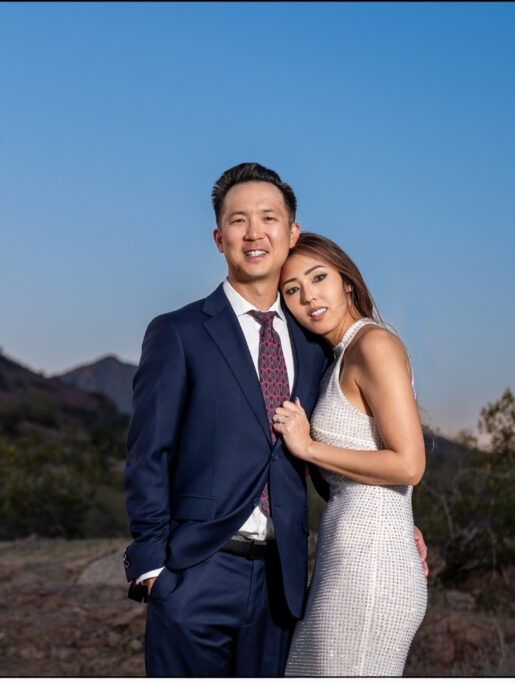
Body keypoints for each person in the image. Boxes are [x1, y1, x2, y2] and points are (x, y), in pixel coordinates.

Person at [122, 163, 427, 677]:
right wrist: (154, 569)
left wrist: (397, 520)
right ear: (220, 238)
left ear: (292, 234)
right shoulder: (179, 332)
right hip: (196, 573)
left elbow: (349, 437)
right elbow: (148, 453)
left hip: (283, 584)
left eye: (268, 217)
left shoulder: (314, 346)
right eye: (238, 221)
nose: (254, 232)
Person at [274, 233, 428, 675]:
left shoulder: (374, 345)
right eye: (292, 290)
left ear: (347, 280)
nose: (309, 297)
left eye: (318, 277)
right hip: (349, 556)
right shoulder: (339, 358)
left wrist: (307, 447)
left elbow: (409, 464)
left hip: (372, 566)